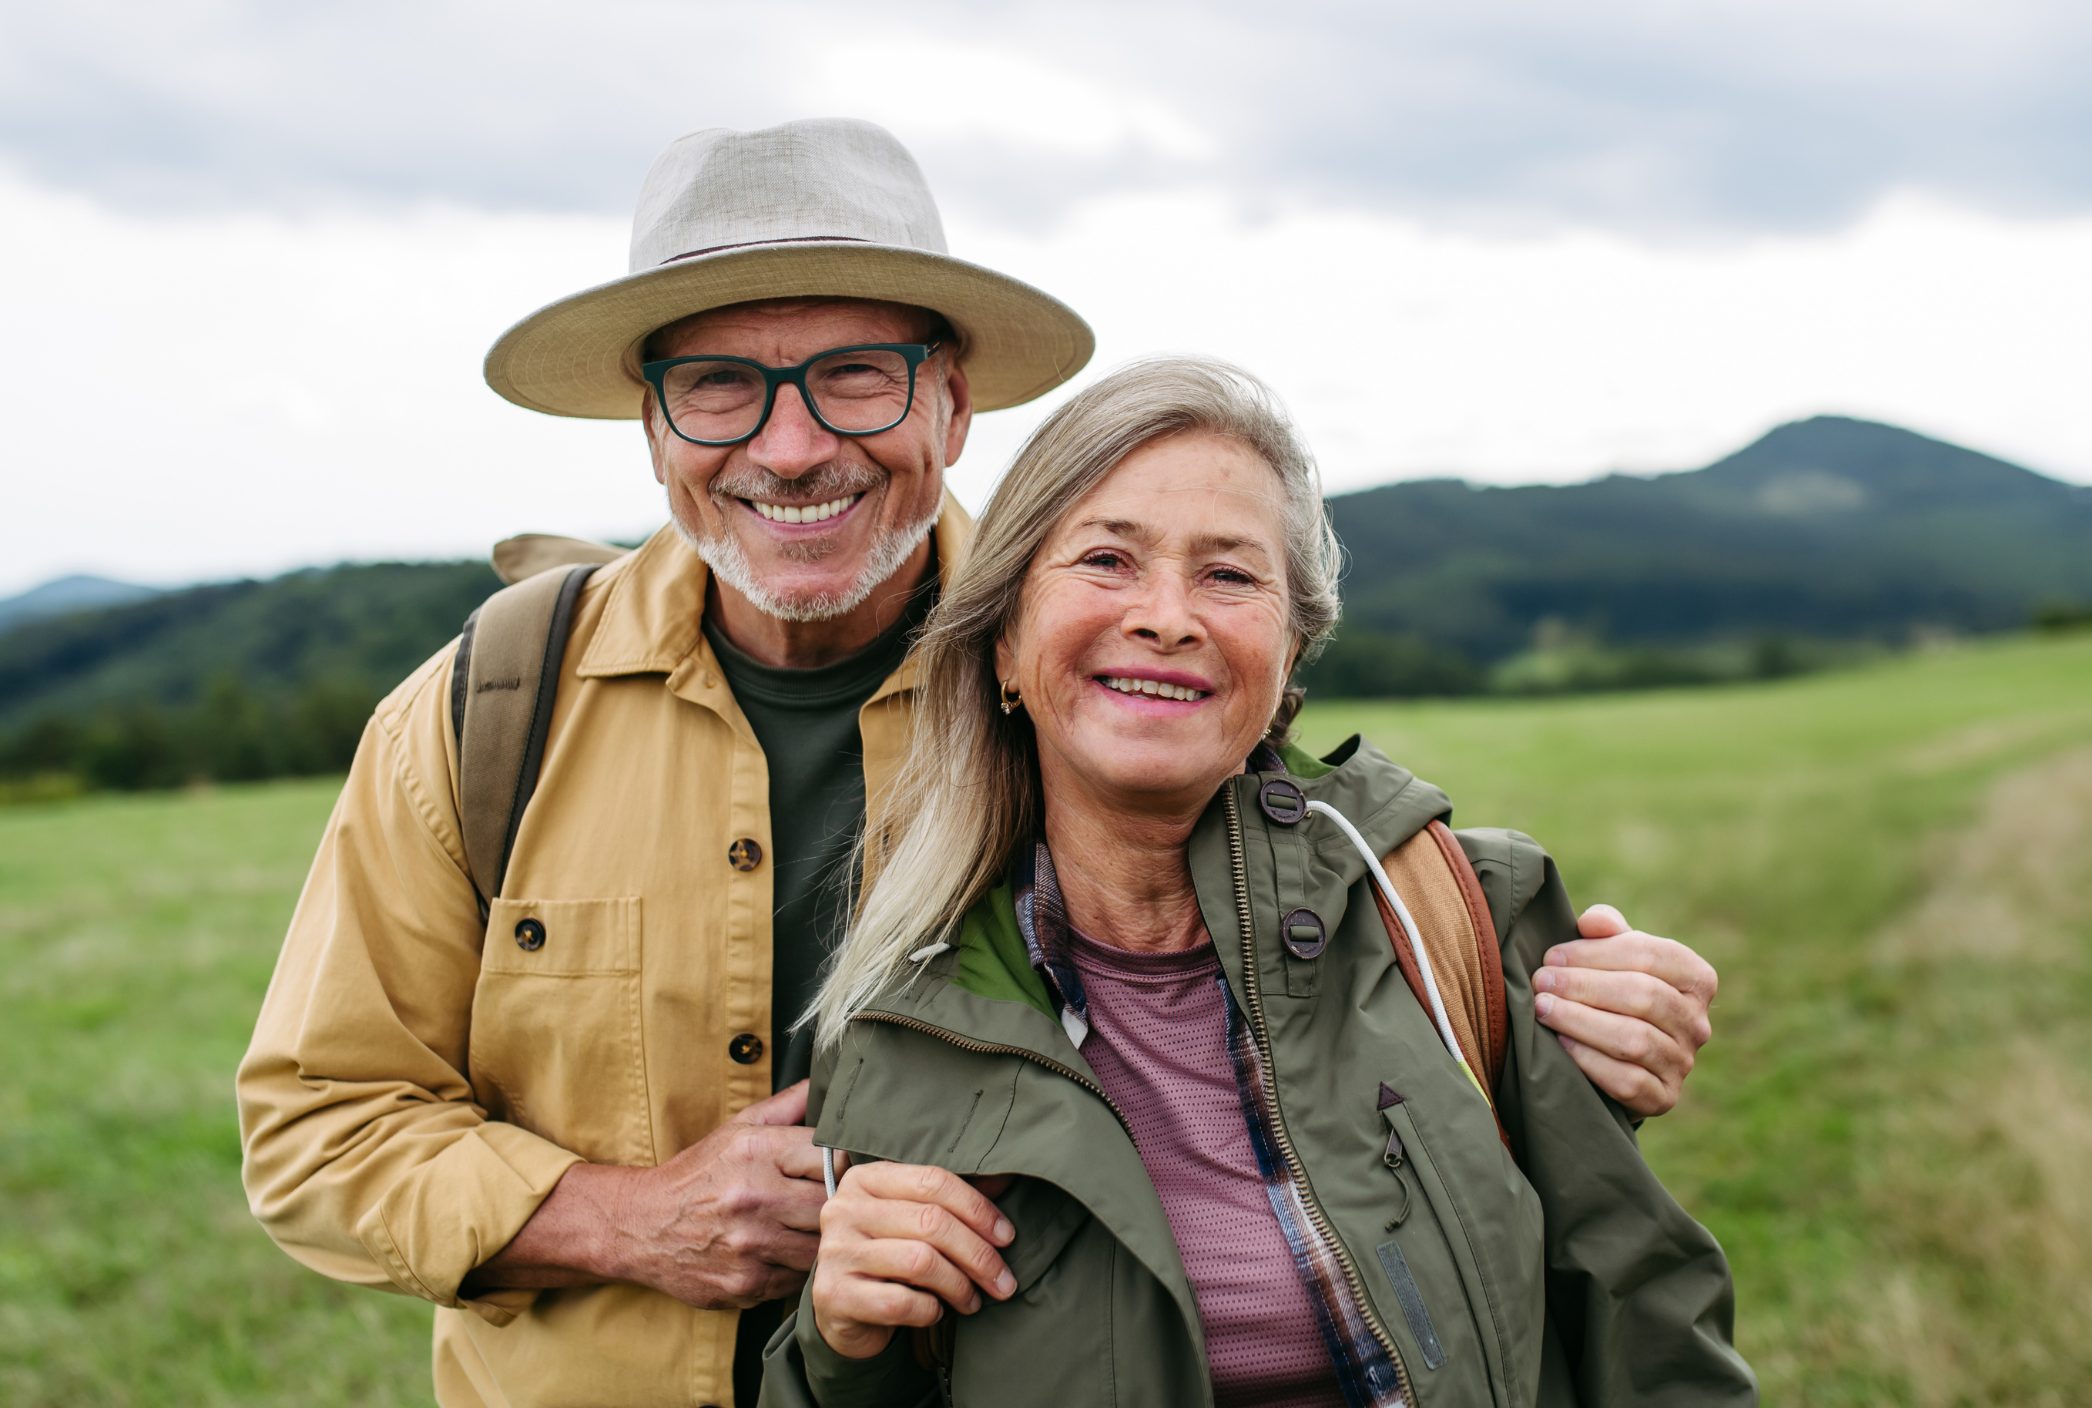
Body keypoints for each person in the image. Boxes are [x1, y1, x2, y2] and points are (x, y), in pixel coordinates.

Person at [237, 119, 1727, 1408]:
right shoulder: (479, 718)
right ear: (650, 428)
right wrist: (629, 1217)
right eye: (718, 388)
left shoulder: (1089, 676)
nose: (791, 444)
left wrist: (1542, 1021)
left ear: (951, 403)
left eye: (856, 377)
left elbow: (1305, 988)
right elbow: (313, 1133)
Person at [760, 357, 1754, 1407]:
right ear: (1004, 642)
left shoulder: (1460, 913)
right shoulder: (898, 1018)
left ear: (1288, 654)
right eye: (1106, 559)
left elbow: (1647, 1324)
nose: (1167, 616)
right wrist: (840, 1340)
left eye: (1228, 575)